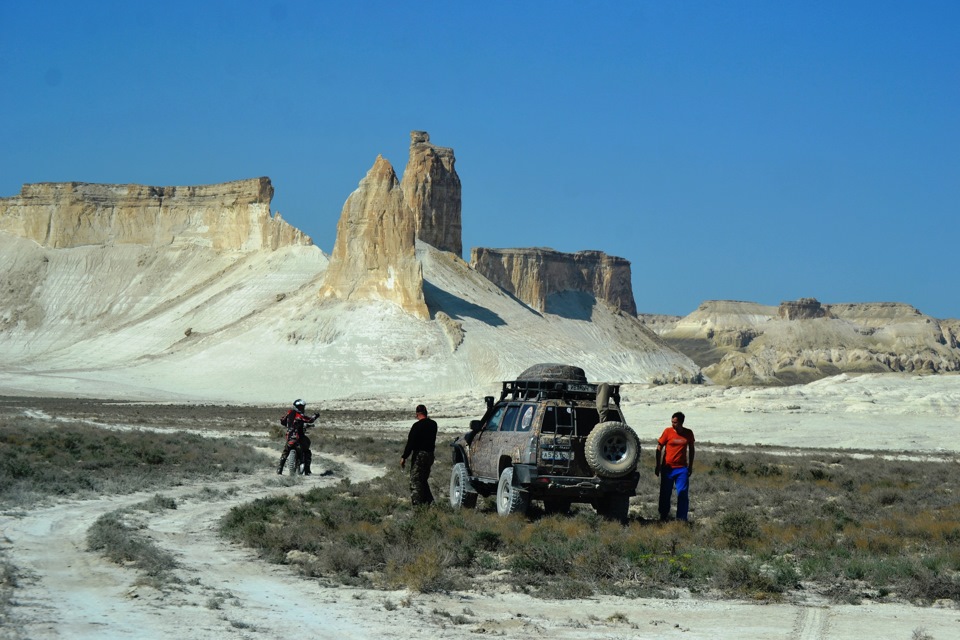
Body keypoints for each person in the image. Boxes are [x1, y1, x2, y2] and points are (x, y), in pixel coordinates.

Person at [655, 411, 696, 521]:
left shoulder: (688, 433)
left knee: (682, 493)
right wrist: (658, 465)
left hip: (682, 469)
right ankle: (663, 516)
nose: (673, 424)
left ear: (681, 422)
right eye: (672, 422)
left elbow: (691, 449)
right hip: (668, 468)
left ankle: (682, 519)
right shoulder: (667, 432)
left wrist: (690, 466)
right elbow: (659, 447)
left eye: (675, 422)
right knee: (665, 493)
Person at [400, 404, 438, 506]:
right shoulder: (433, 424)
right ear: (426, 413)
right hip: (430, 455)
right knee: (423, 480)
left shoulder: (416, 426)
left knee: (415, 481)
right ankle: (430, 504)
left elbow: (411, 443)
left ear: (417, 414)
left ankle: (418, 508)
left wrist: (404, 457)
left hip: (419, 456)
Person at [277, 399, 319, 475]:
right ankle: (307, 470)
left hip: (289, 436)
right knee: (307, 451)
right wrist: (315, 416)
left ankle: (279, 469)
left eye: (302, 407)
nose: (302, 408)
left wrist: (289, 425)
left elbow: (282, 421)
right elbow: (310, 420)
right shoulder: (300, 416)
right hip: (298, 436)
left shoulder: (289, 413)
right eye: (300, 407)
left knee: (285, 452)